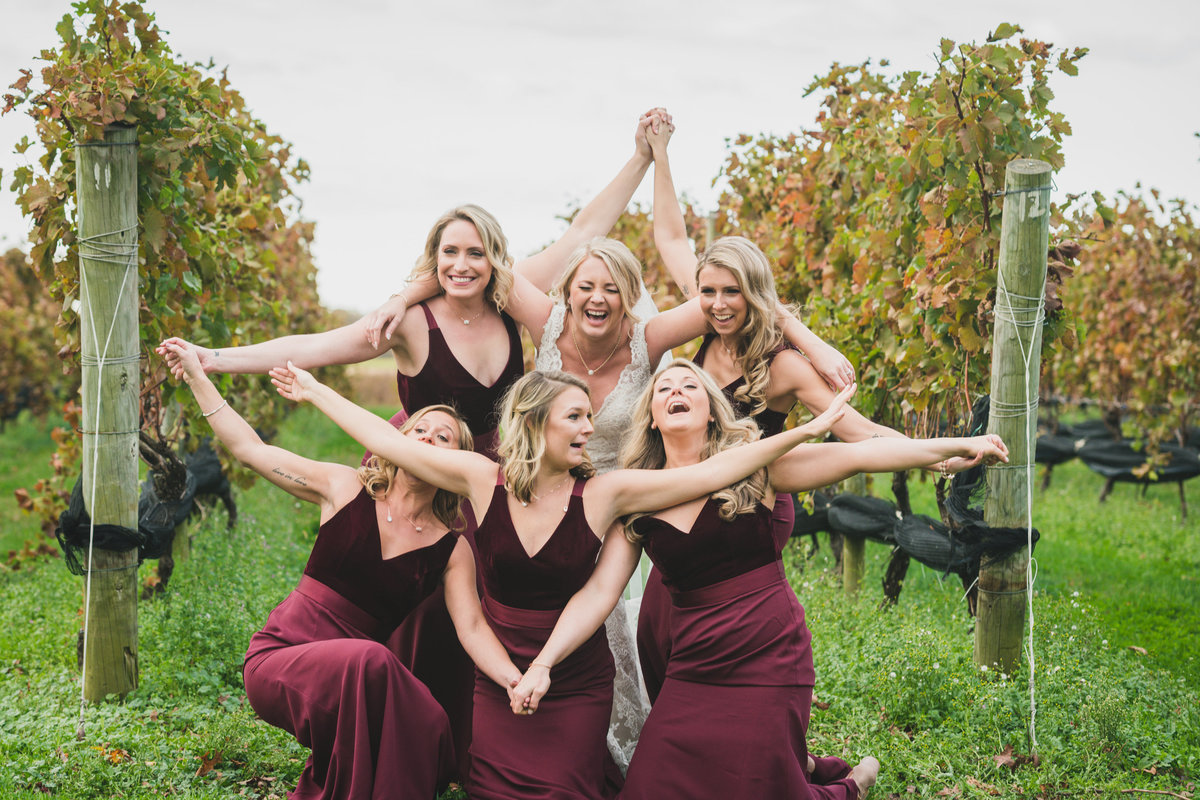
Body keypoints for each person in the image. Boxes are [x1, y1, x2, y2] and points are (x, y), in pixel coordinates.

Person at [267, 363, 857, 800]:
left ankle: (839, 783)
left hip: (572, 676)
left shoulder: (606, 492)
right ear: (536, 421)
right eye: (576, 416)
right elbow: (387, 441)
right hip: (500, 677)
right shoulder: (480, 478)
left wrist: (808, 430)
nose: (590, 428)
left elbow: (718, 470)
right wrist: (317, 390)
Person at [508, 360, 1010, 799]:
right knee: (651, 787)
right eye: (663, 389)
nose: (675, 392)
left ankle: (848, 785)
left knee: (753, 786)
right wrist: (544, 662)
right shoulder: (636, 497)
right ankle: (802, 764)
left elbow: (860, 454)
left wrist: (957, 446)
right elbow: (599, 592)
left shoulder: (760, 471)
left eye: (690, 387)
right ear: (652, 419)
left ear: (712, 410)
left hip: (768, 649)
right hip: (695, 663)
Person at [155, 337, 524, 800]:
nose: (427, 438)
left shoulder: (452, 550)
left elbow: (471, 628)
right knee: (371, 659)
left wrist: (515, 676)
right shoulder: (344, 489)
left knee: (429, 719)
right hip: (282, 656)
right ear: (395, 441)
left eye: (442, 437)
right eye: (418, 431)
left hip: (355, 682)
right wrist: (196, 376)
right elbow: (250, 449)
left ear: (455, 462)